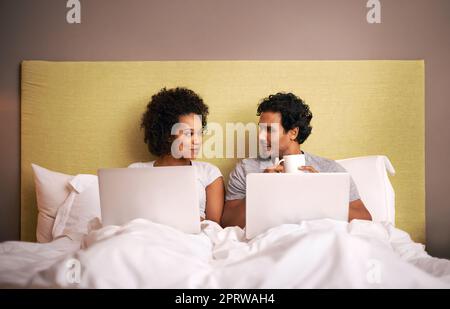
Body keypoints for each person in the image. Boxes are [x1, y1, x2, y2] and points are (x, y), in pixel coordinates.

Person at [221, 92, 372, 228]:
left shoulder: (330, 169)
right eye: (260, 129)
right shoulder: (245, 168)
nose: (260, 137)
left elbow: (365, 220)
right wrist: (262, 189)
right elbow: (227, 223)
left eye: (269, 130)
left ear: (293, 132)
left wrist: (322, 192)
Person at [129, 87, 224, 224]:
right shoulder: (136, 171)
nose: (197, 141)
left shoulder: (209, 173)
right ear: (168, 135)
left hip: (189, 238)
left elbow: (213, 226)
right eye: (189, 134)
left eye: (199, 133)